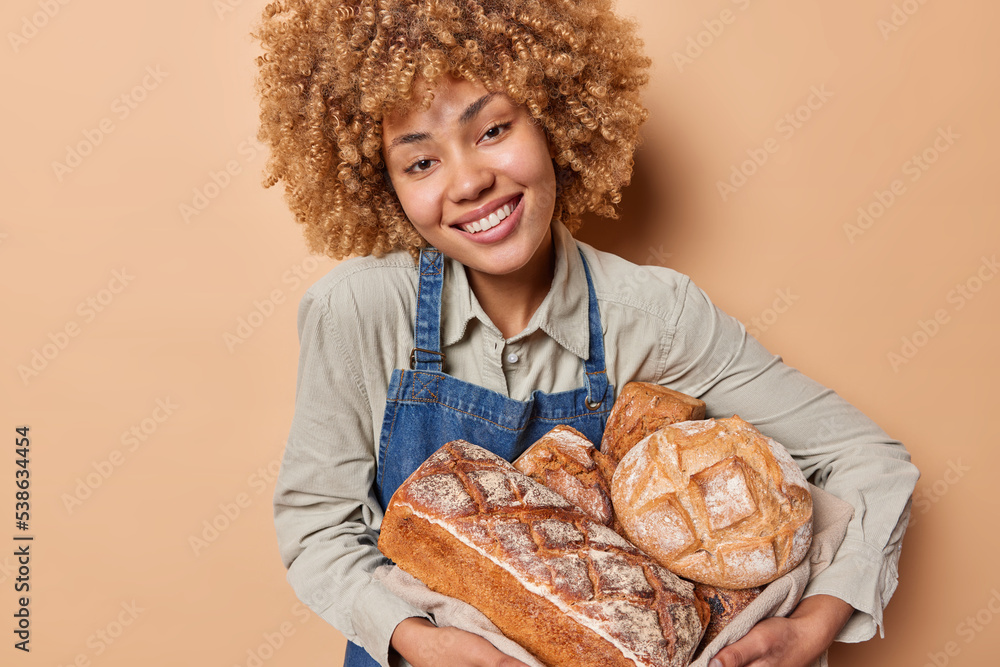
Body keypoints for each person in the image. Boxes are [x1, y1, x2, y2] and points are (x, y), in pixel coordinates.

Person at [253, 1, 919, 666]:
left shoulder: (655, 315)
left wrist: (811, 627)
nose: (468, 181)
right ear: (384, 187)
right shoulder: (358, 310)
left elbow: (869, 459)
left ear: (553, 116)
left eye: (491, 130)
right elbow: (318, 526)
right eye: (420, 163)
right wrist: (418, 640)